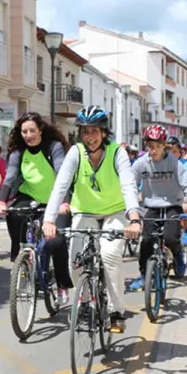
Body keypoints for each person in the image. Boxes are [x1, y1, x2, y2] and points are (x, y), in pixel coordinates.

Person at [42, 106, 142, 332]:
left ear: (104, 132)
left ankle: (117, 311)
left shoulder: (118, 153)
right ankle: (85, 302)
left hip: (115, 212)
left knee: (110, 255)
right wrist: (49, 220)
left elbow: (128, 185)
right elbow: (60, 186)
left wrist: (134, 218)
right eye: (85, 132)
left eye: (94, 131)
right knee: (74, 260)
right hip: (84, 212)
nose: (89, 137)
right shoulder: (76, 152)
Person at [0, 111, 74, 304]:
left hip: (55, 200)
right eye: (24, 131)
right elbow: (11, 176)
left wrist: (64, 202)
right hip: (29, 196)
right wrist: (1, 201)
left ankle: (62, 284)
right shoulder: (18, 151)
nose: (28, 135)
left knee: (55, 241)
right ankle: (20, 258)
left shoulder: (53, 147)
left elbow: (61, 174)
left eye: (32, 130)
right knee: (14, 214)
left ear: (40, 130)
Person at [129, 125, 187, 292]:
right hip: (150, 206)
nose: (153, 151)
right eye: (150, 146)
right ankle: (143, 274)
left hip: (172, 206)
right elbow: (129, 185)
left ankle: (178, 256)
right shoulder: (140, 163)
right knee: (146, 241)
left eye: (158, 147)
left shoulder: (174, 163)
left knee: (170, 238)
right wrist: (130, 208)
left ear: (164, 146)